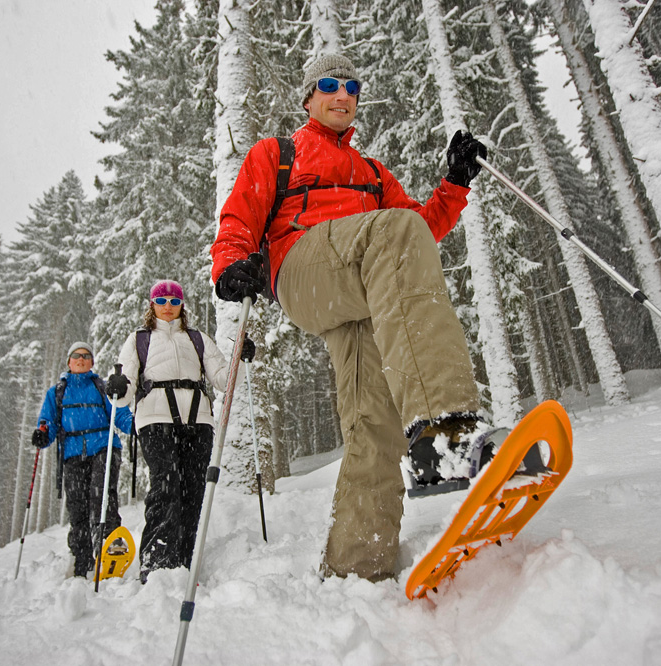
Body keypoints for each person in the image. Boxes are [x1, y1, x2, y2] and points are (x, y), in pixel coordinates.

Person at [210, 53, 492, 582]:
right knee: (394, 232)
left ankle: (357, 568)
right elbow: (241, 214)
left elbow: (420, 232)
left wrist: (454, 182)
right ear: (309, 97)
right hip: (303, 269)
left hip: (365, 287)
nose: (343, 94)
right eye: (330, 85)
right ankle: (446, 431)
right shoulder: (280, 152)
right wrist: (229, 263)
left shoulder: (371, 171)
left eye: (352, 86)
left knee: (374, 422)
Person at [105, 280, 255, 583]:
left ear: (182, 305)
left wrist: (240, 357)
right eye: (162, 301)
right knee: (167, 484)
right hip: (155, 418)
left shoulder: (198, 339)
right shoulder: (139, 339)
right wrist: (119, 387)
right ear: (152, 305)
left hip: (198, 420)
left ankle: (183, 563)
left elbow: (223, 379)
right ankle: (157, 563)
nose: (169, 306)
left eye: (175, 301)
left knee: (193, 490)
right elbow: (125, 388)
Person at [32, 341, 133, 579]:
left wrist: (138, 426)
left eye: (86, 356)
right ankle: (82, 557)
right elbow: (49, 422)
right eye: (76, 355)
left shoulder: (102, 387)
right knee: (77, 506)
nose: (81, 359)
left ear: (92, 363)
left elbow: (120, 414)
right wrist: (42, 434)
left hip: (103, 448)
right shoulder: (57, 392)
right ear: (69, 362)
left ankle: (109, 548)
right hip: (73, 453)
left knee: (102, 496)